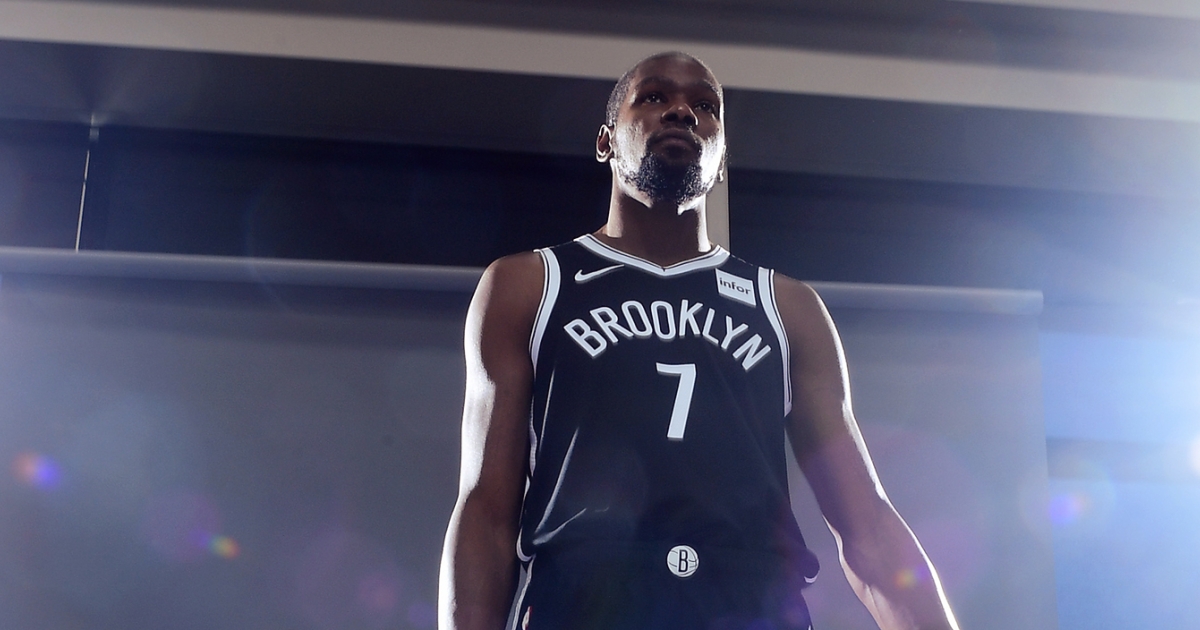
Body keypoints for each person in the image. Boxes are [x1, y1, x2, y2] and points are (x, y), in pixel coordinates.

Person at [438, 51, 960, 630]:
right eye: (654, 97)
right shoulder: (529, 285)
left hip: (751, 606)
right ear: (606, 142)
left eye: (706, 106)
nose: (682, 112)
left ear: (722, 159)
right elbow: (486, 511)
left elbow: (867, 524)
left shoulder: (787, 307)